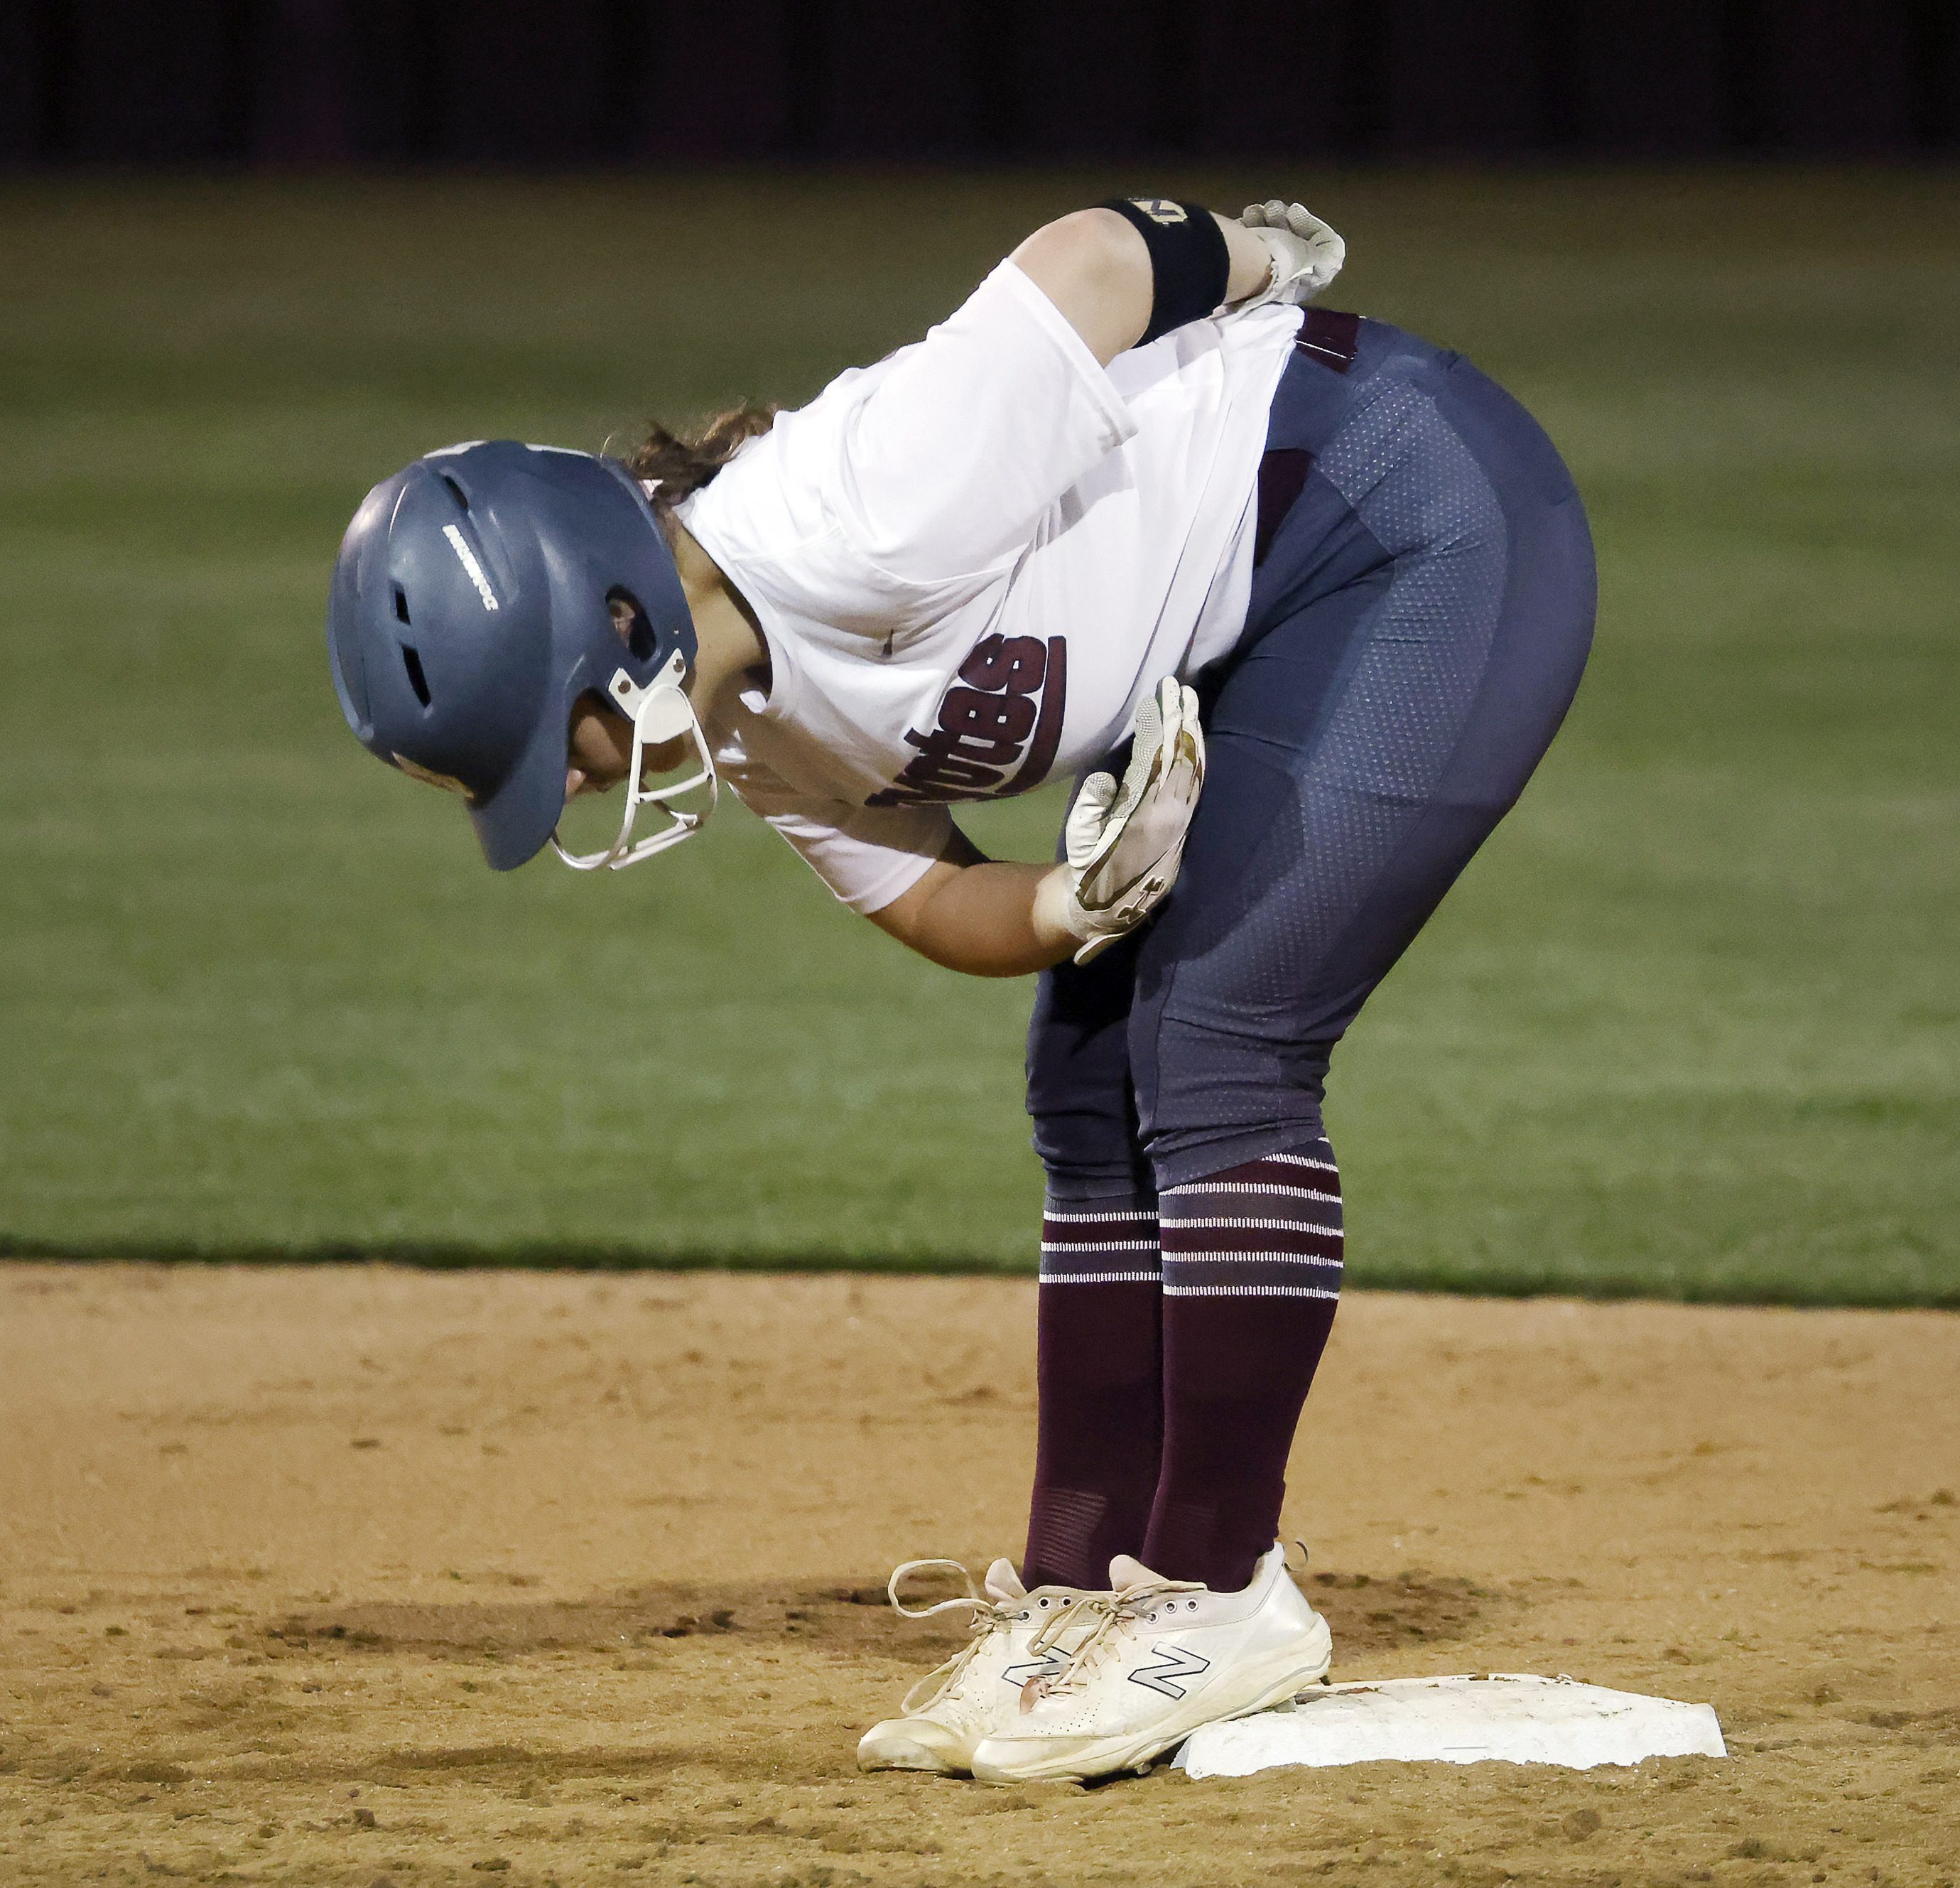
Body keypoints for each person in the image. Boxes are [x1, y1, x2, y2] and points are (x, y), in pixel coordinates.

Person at [325, 195, 1596, 1784]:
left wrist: (1264, 259)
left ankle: (1215, 1588)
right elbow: (932, 895)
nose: (567, 788)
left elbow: (1086, 265)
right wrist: (1075, 897)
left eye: (545, 745)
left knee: (1216, 1042)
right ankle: (1077, 1590)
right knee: (1082, 1071)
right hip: (1241, 618)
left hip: (1410, 511)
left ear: (618, 619)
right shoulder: (745, 720)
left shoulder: (850, 516)